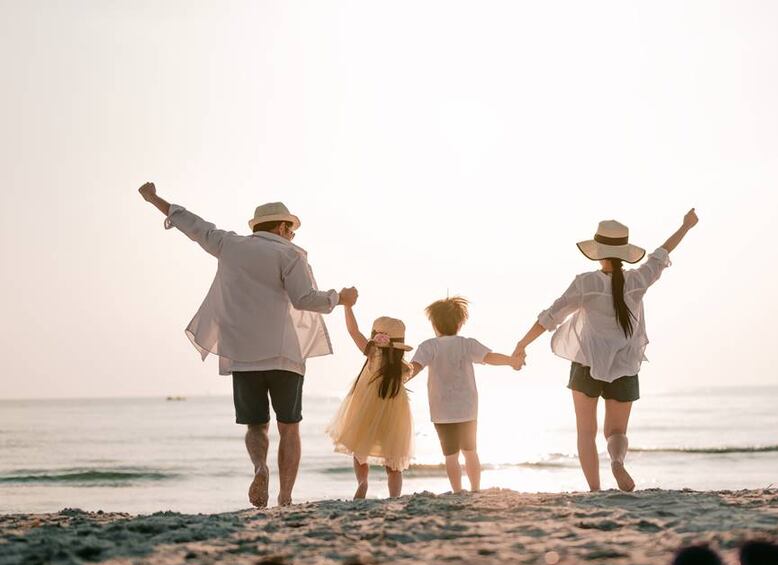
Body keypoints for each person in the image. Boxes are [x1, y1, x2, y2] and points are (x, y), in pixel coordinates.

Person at [138, 182, 357, 508]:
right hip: (284, 354)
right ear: (283, 227)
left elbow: (193, 225)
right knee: (289, 427)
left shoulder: (229, 244)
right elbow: (303, 299)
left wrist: (155, 199)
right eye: (291, 231)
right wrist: (339, 298)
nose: (292, 237)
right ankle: (285, 497)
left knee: (256, 425)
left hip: (242, 354)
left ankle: (259, 467)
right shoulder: (289, 254)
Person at [513, 209, 700, 491]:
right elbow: (661, 253)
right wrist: (685, 226)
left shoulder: (586, 283)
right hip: (625, 364)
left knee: (586, 433)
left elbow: (551, 317)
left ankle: (595, 490)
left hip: (587, 362)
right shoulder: (638, 280)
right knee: (616, 432)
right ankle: (616, 461)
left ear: (598, 252)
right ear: (624, 253)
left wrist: (522, 345)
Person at [409, 297, 522, 493]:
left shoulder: (428, 346)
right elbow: (491, 357)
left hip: (441, 410)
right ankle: (475, 489)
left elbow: (414, 368)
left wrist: (396, 380)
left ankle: (457, 491)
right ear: (460, 323)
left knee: (450, 455)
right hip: (467, 408)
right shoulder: (467, 344)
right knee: (471, 452)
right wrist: (512, 361)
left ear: (434, 324)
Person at [327, 311, 414, 498]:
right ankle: (394, 496)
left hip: (367, 406)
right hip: (395, 411)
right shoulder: (404, 367)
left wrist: (348, 307)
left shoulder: (372, 353)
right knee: (394, 458)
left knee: (360, 448)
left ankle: (363, 482)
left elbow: (353, 331)